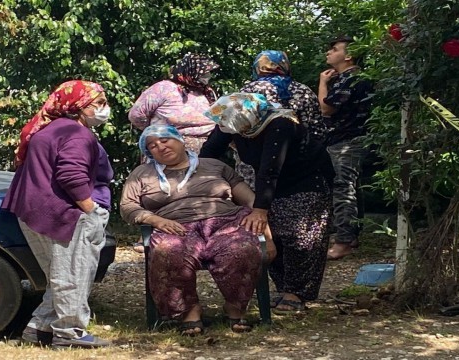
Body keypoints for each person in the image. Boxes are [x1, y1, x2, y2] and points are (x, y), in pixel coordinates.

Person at [120, 124, 276, 336]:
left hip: (225, 221)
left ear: (180, 140)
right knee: (168, 250)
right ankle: (188, 311)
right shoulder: (141, 173)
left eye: (164, 139)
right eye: (152, 145)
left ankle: (235, 305)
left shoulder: (214, 165)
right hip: (175, 225)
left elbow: (249, 199)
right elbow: (128, 205)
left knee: (242, 249)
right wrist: (154, 219)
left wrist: (265, 229)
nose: (160, 146)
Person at [1, 80, 114, 349]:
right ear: (78, 106)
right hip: (64, 213)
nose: (104, 109)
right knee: (74, 274)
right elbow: (71, 175)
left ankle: (38, 328)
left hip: (34, 210)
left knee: (59, 275)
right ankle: (69, 333)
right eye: (98, 103)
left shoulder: (49, 128)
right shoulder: (77, 134)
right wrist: (91, 210)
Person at [200, 93, 333, 314]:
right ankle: (283, 287)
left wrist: (260, 210)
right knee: (274, 235)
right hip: (272, 182)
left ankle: (297, 292)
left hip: (308, 179)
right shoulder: (232, 121)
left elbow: (271, 168)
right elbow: (210, 152)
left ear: (248, 117)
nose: (227, 129)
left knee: (299, 235)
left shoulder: (280, 123)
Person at [236, 50, 327, 188]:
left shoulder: (249, 90)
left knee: (257, 206)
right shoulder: (304, 90)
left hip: (256, 162)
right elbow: (317, 130)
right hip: (299, 162)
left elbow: (238, 126)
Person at [318, 36, 373, 260]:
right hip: (348, 140)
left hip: (348, 141)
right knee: (350, 185)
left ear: (348, 56)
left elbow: (325, 108)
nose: (328, 53)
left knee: (343, 187)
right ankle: (351, 236)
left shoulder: (351, 79)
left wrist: (322, 83)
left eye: (334, 49)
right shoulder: (348, 79)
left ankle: (343, 242)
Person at [128, 52, 220, 154]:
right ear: (190, 70)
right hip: (167, 150)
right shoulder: (164, 88)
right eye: (204, 73)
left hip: (207, 151)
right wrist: (156, 132)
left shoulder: (208, 92)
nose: (208, 76)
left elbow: (219, 119)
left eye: (208, 72)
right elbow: (136, 115)